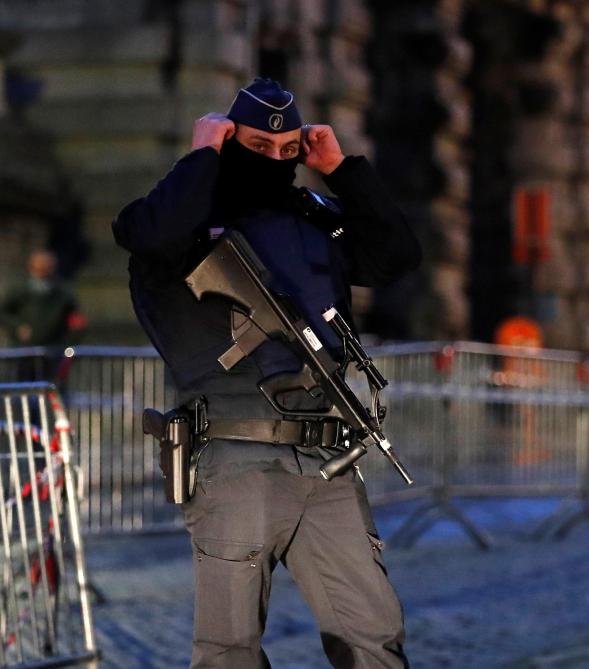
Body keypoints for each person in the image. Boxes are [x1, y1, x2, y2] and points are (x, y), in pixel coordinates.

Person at [112, 78, 420, 669]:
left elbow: (396, 256)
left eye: (286, 152)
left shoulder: (310, 218)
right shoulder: (179, 223)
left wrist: (341, 170)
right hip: (237, 458)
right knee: (230, 651)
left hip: (327, 462)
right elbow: (150, 236)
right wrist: (202, 154)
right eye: (256, 148)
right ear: (228, 140)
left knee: (374, 637)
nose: (274, 161)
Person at [0, 250, 86, 348]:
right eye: (40, 268)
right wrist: (17, 326)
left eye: (47, 267)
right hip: (23, 347)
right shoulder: (20, 290)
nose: (43, 271)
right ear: (31, 267)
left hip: (54, 347)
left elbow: (76, 320)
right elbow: (3, 313)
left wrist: (70, 341)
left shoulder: (62, 293)